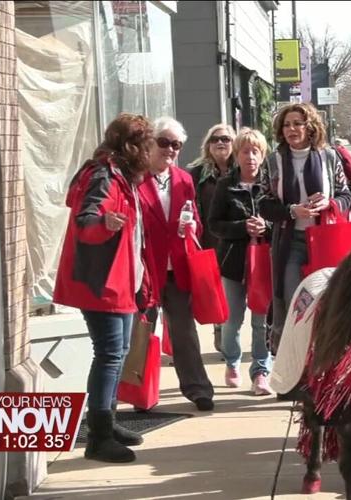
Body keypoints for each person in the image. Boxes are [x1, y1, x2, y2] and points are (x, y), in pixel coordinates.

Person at [54, 113, 154, 463]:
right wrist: (105, 224)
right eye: (147, 142)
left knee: (117, 352)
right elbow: (86, 223)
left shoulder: (119, 176)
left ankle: (106, 425)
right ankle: (98, 436)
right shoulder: (104, 175)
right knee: (110, 355)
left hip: (117, 281)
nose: (151, 149)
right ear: (132, 145)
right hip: (102, 283)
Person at [258, 102, 351, 353]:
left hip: (324, 241)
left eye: (298, 123)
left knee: (326, 302)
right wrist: (291, 211)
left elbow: (346, 196)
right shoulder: (273, 161)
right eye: (287, 124)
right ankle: (294, 367)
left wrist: (328, 203)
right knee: (293, 304)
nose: (292, 129)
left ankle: (324, 362)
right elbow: (263, 203)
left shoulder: (329, 157)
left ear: (310, 127)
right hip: (289, 242)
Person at [139, 117, 215, 412]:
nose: (170, 150)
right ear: (149, 143)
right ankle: (138, 393)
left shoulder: (183, 179)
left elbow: (194, 215)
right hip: (145, 268)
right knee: (141, 333)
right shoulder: (136, 178)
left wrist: (191, 226)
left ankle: (198, 389)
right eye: (163, 142)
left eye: (176, 145)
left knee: (184, 331)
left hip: (177, 266)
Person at [207, 128, 274, 395]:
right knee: (232, 321)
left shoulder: (271, 184)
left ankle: (260, 371)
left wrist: (266, 226)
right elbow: (213, 224)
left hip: (263, 262)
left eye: (255, 152)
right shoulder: (225, 185)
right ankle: (232, 361)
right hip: (233, 263)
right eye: (245, 151)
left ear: (262, 155)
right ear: (237, 155)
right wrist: (241, 227)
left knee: (261, 322)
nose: (250, 157)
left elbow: (282, 219)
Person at [187, 123, 237, 354]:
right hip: (209, 241)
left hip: (238, 240)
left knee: (237, 294)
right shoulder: (195, 173)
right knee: (216, 291)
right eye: (215, 139)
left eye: (226, 139)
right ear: (207, 145)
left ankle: (229, 332)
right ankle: (220, 329)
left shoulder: (244, 168)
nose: (220, 143)